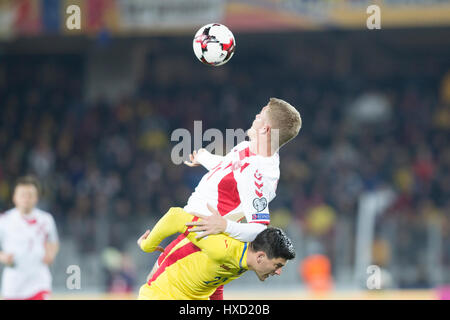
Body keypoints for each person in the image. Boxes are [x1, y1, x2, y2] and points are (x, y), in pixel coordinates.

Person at [147, 97, 302, 299]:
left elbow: (259, 227)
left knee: (155, 287)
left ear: (265, 130)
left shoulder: (257, 173)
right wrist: (204, 158)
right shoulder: (250, 150)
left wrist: (224, 226)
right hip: (196, 230)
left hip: (203, 238)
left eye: (260, 116)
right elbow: (230, 168)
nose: (255, 117)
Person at [137, 207, 295, 300]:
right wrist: (146, 245)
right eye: (278, 265)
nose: (279, 272)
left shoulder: (247, 260)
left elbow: (217, 279)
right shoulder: (221, 247)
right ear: (261, 257)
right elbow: (175, 216)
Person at [0, 176, 59, 300]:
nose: (26, 198)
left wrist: (51, 254)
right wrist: (3, 257)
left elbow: (53, 242)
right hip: (13, 285)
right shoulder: (4, 221)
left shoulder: (46, 219)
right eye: (22, 195)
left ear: (36, 198)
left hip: (39, 282)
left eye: (30, 195)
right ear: (14, 197)